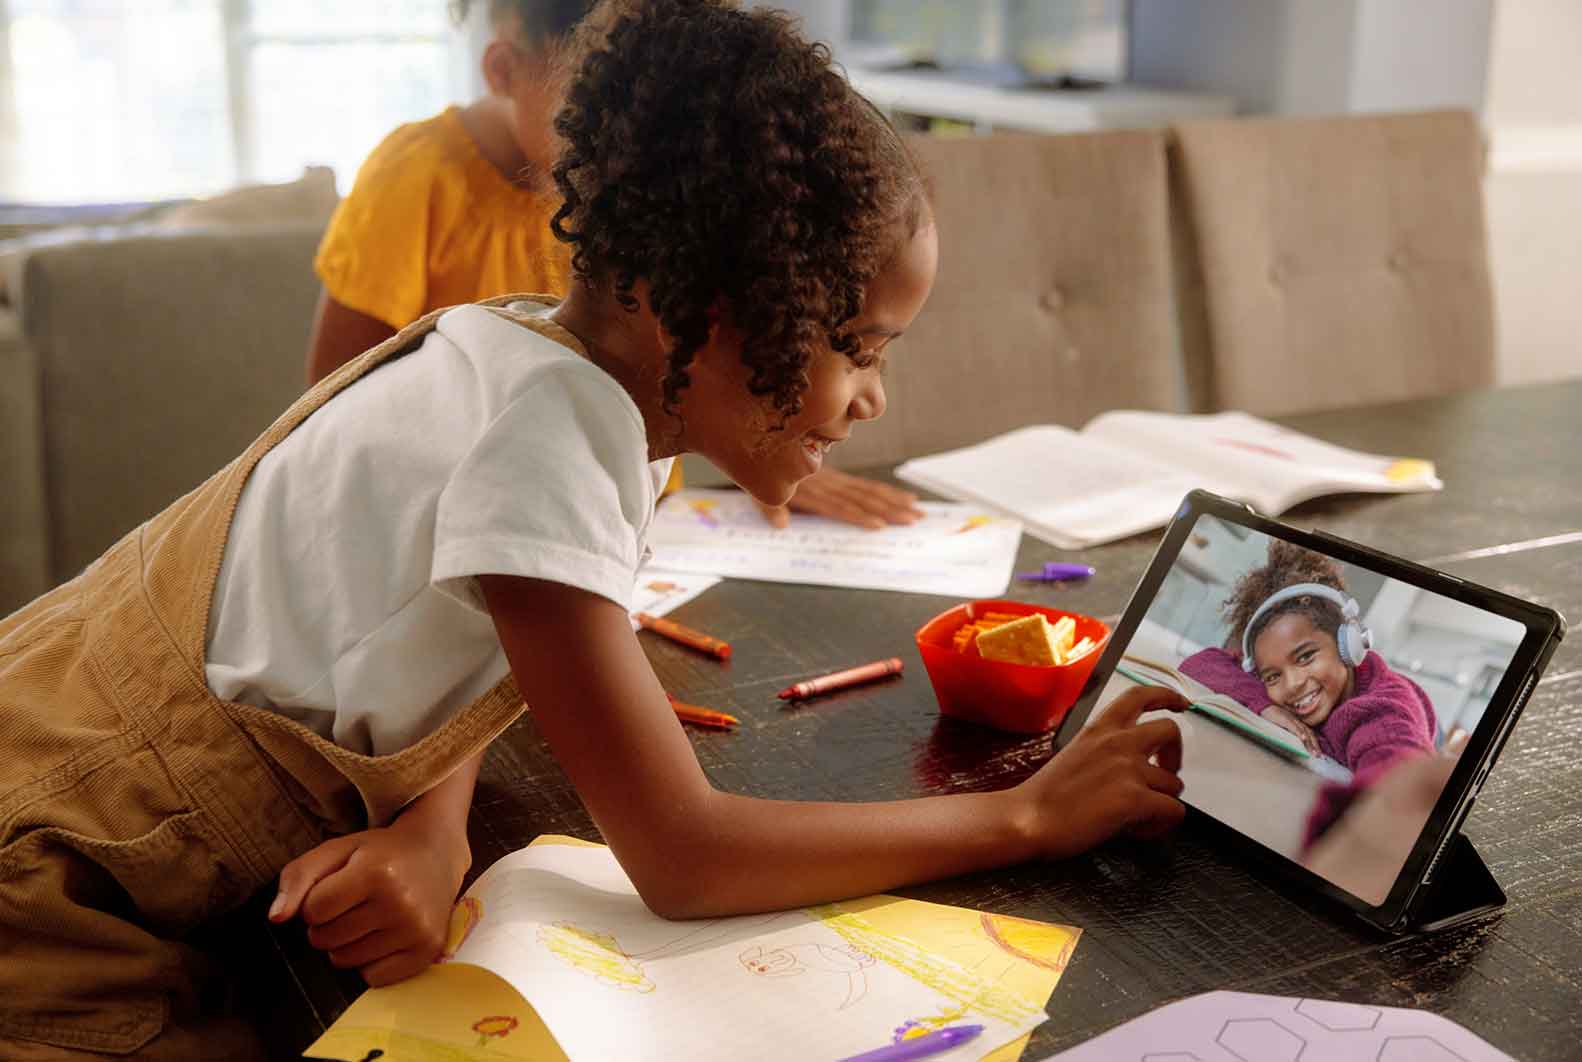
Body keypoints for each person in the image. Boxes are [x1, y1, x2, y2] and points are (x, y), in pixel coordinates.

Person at [0, 2, 1188, 1056]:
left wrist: (433, 830)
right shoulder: (552, 434)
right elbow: (685, 856)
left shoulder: (519, 354)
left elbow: (441, 634)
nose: (873, 398)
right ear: (705, 317)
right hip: (50, 878)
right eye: (859, 348)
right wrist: (1027, 814)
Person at [305, 0, 923, 530]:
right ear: (503, 69)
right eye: (603, 105)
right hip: (481, 524)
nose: (638, 145)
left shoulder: (656, 206)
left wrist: (773, 444)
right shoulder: (418, 178)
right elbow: (332, 409)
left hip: (643, 533)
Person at [1178, 539, 1438, 844]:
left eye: (1305, 657)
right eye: (1272, 676)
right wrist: (1265, 705)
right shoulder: (1277, 688)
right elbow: (1202, 663)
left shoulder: (1382, 710)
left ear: (1349, 645)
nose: (1292, 684)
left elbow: (1399, 783)